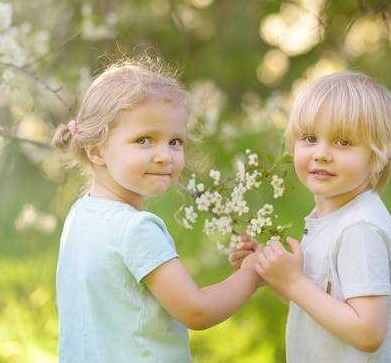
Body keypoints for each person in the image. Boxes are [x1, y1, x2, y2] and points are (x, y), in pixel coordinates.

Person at [52, 55, 262, 363]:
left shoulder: (79, 216)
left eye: (175, 142)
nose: (165, 156)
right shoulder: (136, 230)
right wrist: (253, 273)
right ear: (96, 149)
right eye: (144, 139)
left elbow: (67, 303)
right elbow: (197, 311)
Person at [230, 72, 391, 362]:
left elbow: (368, 333)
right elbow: (322, 308)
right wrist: (273, 273)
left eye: (343, 142)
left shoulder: (360, 229)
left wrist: (292, 282)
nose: (322, 154)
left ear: (378, 156)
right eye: (310, 138)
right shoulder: (332, 217)